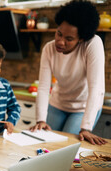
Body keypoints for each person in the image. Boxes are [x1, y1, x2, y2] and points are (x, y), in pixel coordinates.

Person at [30, 0, 107, 145]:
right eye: (59, 34)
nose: (60, 42)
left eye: (69, 39)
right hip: (58, 103)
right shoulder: (48, 49)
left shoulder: (92, 44)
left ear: (81, 38)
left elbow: (95, 89)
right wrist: (41, 120)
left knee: (65, 146)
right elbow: (44, 87)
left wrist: (86, 127)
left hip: (83, 107)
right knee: (44, 142)